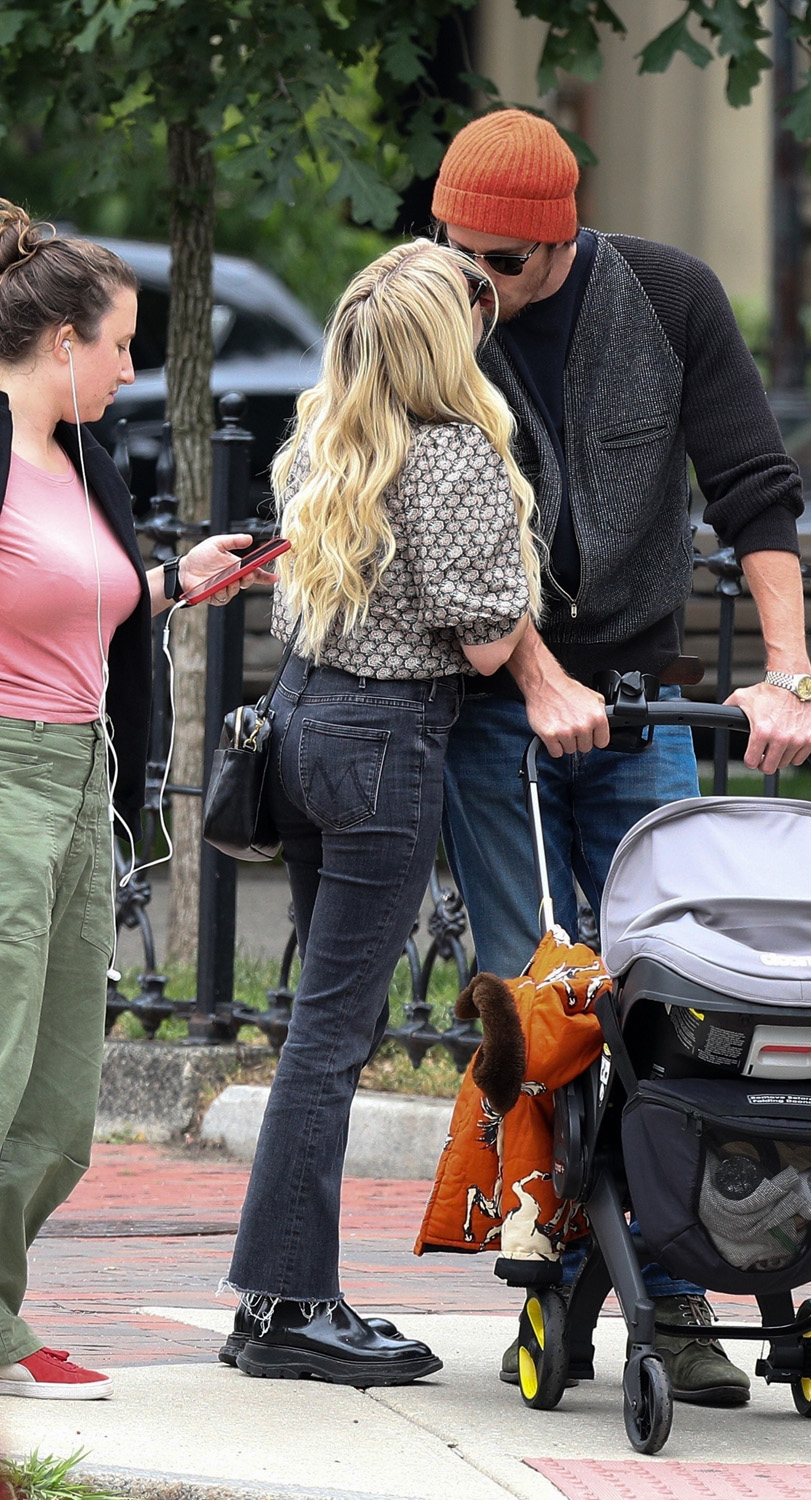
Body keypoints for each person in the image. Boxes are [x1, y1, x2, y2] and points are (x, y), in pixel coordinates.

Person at [431, 109, 811, 1406]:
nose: (476, 281)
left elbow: (755, 486)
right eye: (456, 249)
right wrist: (537, 681)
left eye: (504, 262)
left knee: (668, 1000)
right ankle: (552, 1285)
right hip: (494, 708)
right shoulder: (426, 311)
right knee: (536, 1004)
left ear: (561, 243)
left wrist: (788, 673)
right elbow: (420, 519)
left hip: (645, 699)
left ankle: (675, 1295)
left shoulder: (665, 297)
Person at [217, 239, 540, 1388]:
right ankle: (294, 1304)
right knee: (331, 1034)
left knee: (318, 1022)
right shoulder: (452, 455)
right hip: (384, 742)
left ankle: (271, 1301)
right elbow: (489, 639)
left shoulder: (327, 437)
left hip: (300, 728)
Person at [0, 200, 275, 1400]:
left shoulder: (87, 467)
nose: (130, 367)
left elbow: (77, 608)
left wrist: (171, 580)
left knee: (59, 1098)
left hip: (81, 783)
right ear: (61, 340)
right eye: (117, 343)